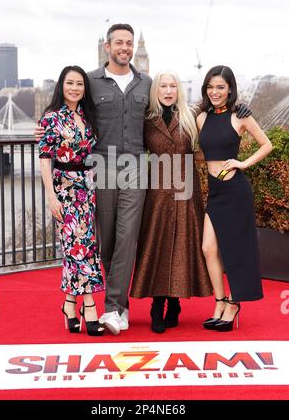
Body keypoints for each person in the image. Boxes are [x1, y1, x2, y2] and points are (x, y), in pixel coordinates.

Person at [35, 24, 152, 335]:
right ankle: (78, 304)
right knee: (105, 240)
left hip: (136, 168)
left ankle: (115, 309)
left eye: (129, 43)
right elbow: (70, 113)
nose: (125, 48)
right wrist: (44, 130)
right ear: (107, 46)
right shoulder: (91, 82)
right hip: (98, 169)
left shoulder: (147, 84)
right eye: (119, 42)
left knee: (127, 238)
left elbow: (167, 112)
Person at [130, 71, 213, 333]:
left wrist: (241, 109)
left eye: (173, 86)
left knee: (181, 247)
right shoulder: (145, 120)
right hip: (156, 194)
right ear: (156, 91)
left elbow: (216, 101)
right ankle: (156, 306)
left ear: (179, 90)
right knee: (158, 246)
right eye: (163, 86)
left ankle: (175, 303)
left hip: (186, 194)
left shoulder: (191, 115)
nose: (168, 91)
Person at [197, 65, 272, 331]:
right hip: (215, 191)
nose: (214, 92)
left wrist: (243, 164)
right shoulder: (201, 118)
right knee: (208, 248)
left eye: (220, 87)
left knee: (236, 251)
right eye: (210, 87)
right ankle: (220, 301)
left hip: (235, 191)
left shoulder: (240, 117)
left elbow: (267, 144)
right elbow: (204, 153)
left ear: (230, 89)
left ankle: (233, 303)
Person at [38, 65, 105, 336]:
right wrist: (50, 195)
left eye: (79, 83)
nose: (75, 88)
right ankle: (89, 307)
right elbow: (45, 159)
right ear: (61, 86)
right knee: (77, 246)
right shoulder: (51, 118)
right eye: (70, 83)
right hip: (64, 188)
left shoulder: (87, 116)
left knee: (81, 246)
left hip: (87, 188)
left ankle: (68, 305)